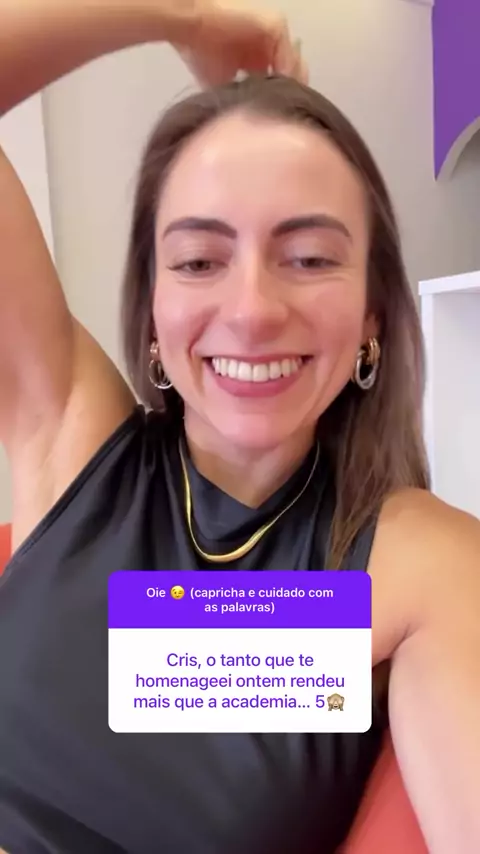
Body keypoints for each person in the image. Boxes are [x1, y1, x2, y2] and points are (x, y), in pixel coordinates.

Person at [0, 1, 479, 852]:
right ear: (153, 310)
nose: (253, 310)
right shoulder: (71, 438)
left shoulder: (415, 564)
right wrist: (177, 16)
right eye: (198, 260)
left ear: (373, 314)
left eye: (309, 258)